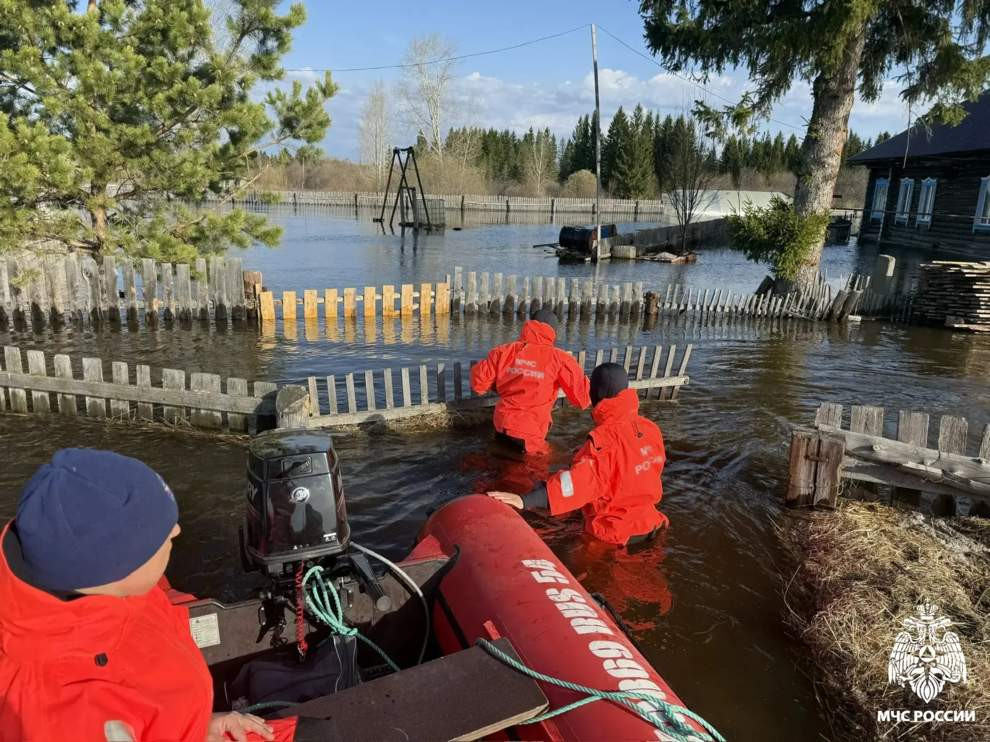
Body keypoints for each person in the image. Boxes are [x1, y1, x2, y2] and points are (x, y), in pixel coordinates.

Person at [0, 448, 287, 742]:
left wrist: (197, 726)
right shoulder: (54, 715)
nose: (176, 531)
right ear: (115, 566)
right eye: (157, 536)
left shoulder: (115, 590)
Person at [488, 363, 668, 546]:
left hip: (615, 533)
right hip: (652, 522)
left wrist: (525, 500)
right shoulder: (650, 429)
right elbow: (645, 467)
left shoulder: (602, 441)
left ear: (595, 395)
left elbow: (574, 486)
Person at [470, 308, 591, 455]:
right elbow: (583, 399)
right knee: (542, 468)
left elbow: (478, 384)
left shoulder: (503, 351)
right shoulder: (560, 359)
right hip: (530, 432)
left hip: (502, 424)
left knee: (501, 463)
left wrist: (502, 383)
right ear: (553, 331)